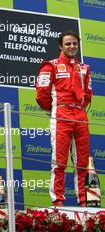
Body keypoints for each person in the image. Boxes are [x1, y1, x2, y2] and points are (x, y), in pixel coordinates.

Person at [36, 30, 92, 207]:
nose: (72, 46)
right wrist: (54, 110)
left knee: (82, 162)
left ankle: (84, 201)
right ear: (61, 46)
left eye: (74, 43)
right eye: (68, 43)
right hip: (61, 116)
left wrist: (78, 110)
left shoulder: (84, 68)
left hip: (80, 116)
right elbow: (42, 95)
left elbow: (88, 94)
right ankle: (58, 200)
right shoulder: (50, 66)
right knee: (59, 162)